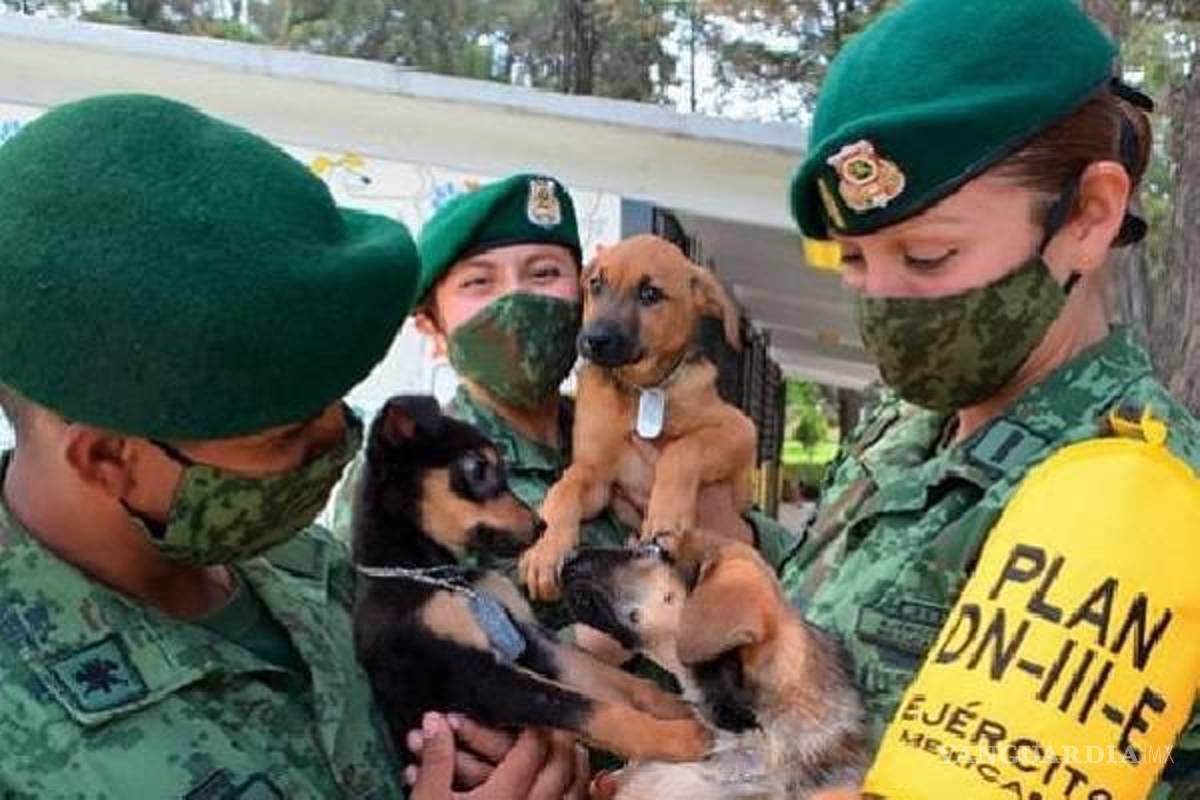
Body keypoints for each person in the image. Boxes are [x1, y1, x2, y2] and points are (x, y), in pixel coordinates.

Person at [0, 94, 586, 799]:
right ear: (108, 459)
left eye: (334, 405)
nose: (336, 441)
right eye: (284, 436)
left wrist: (534, 763)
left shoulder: (317, 574)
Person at [780, 0, 1199, 796]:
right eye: (853, 263)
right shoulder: (908, 428)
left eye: (929, 255)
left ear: (1089, 216)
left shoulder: (1131, 501)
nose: (885, 302)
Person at [334, 173, 799, 633]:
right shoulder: (403, 475)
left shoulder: (615, 417)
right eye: (479, 282)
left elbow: (793, 566)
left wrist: (734, 531)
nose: (517, 300)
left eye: (544, 273)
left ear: (579, 296)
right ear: (432, 329)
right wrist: (593, 641)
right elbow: (391, 652)